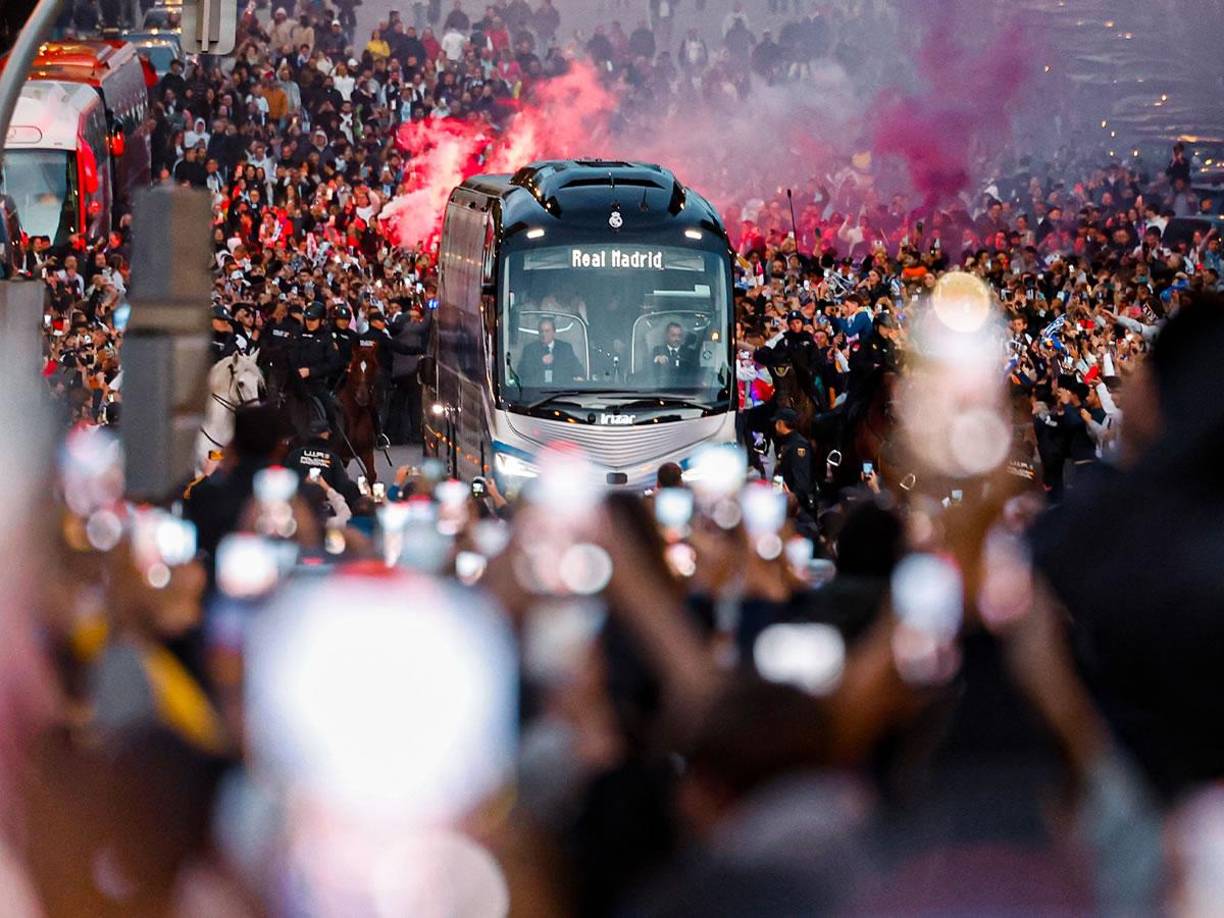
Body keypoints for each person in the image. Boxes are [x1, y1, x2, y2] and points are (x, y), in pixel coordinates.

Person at [289, 302, 343, 434]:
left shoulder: (327, 337)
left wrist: (311, 372)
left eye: (313, 320)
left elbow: (333, 363)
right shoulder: (297, 333)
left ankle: (333, 433)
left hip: (315, 383)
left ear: (322, 320)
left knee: (328, 407)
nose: (309, 322)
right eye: (307, 319)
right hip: (294, 381)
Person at [773, 406, 816, 515]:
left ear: (781, 424)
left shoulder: (799, 446)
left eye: (776, 422)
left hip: (797, 510)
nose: (774, 426)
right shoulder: (787, 442)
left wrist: (791, 500)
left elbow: (801, 483)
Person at [518, 316, 584, 385]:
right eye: (541, 331)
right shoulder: (529, 349)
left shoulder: (565, 348)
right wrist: (540, 362)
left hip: (561, 390)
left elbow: (577, 368)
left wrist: (579, 377)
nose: (543, 334)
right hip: (537, 390)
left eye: (547, 331)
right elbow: (521, 371)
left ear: (554, 332)